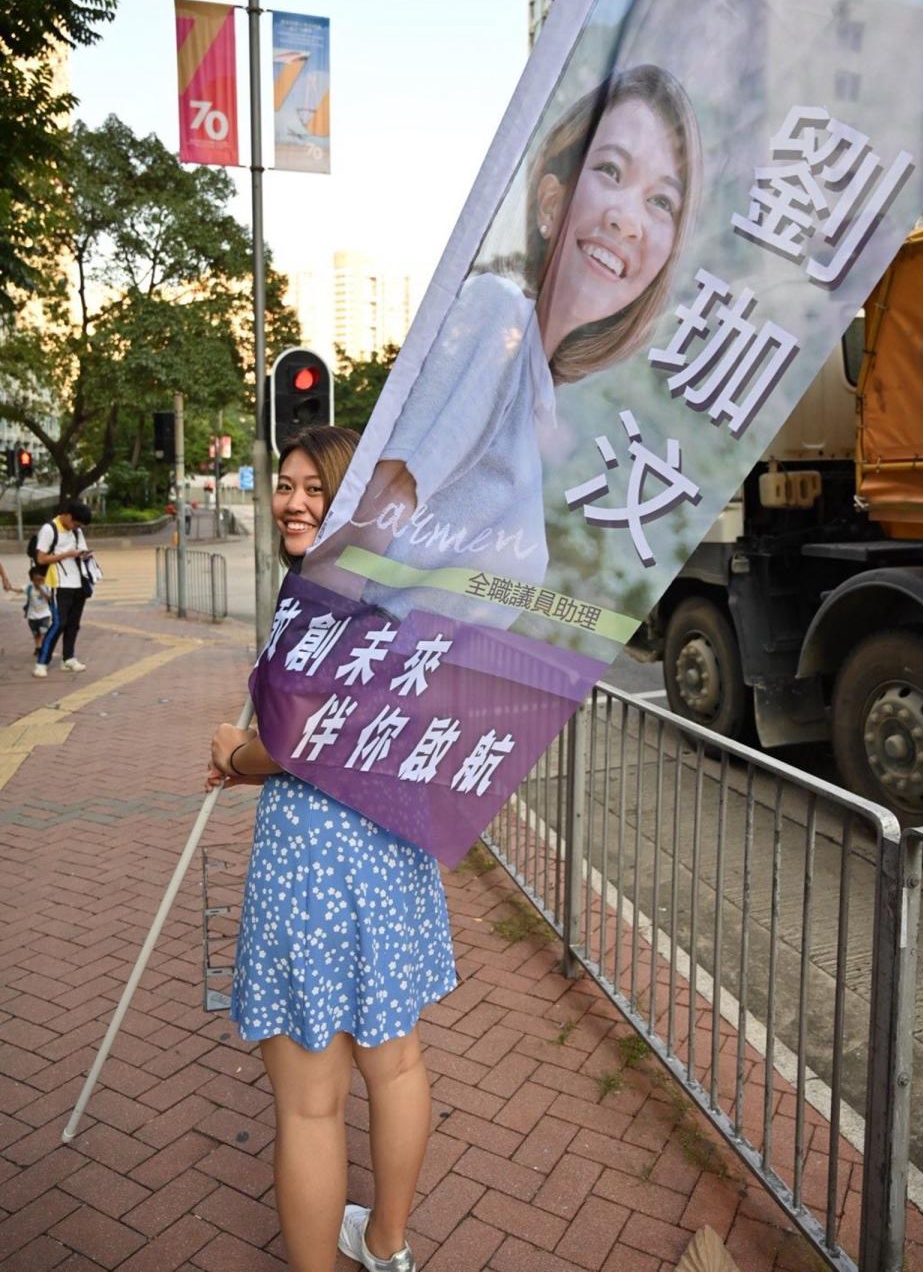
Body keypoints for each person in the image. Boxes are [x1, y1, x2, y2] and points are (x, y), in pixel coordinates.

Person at [311, 64, 702, 612]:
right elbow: (374, 520)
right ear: (550, 202)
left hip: (419, 690)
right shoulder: (498, 317)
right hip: (367, 679)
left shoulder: (538, 393)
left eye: (662, 201)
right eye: (611, 170)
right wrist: (308, 669)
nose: (627, 219)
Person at [206, 423, 456, 1272]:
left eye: (316, 488)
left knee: (312, 1108)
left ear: (348, 500)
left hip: (311, 860)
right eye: (286, 484)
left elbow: (290, 744)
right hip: (389, 846)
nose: (294, 501)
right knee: (396, 1065)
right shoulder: (405, 599)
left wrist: (236, 759)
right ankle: (387, 1247)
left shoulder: (316, 599)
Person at [32, 500, 94, 678]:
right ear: (67, 516)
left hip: (78, 582)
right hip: (58, 583)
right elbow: (41, 559)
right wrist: (66, 554)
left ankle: (69, 658)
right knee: (59, 623)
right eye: (76, 523)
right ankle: (42, 662)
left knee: (73, 624)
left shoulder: (76, 530)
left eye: (80, 525)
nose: (77, 527)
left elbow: (81, 550)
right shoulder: (49, 529)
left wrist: (84, 554)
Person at [23, 565, 53, 657]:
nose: (39, 582)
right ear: (32, 580)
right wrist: (9, 587)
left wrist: (40, 589)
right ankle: (38, 647)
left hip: (45, 614)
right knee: (36, 634)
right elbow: (19, 589)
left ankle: (44, 648)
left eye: (40, 579)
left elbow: (49, 598)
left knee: (44, 631)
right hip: (32, 616)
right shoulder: (29, 587)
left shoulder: (47, 587)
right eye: (36, 580)